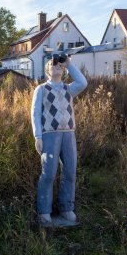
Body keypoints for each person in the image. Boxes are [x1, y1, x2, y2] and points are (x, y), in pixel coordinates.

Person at [31, 54, 87, 226]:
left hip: (68, 134)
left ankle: (66, 207)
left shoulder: (69, 89)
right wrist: (38, 136)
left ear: (63, 71)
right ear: (47, 70)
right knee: (48, 173)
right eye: (53, 64)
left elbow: (83, 83)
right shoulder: (41, 89)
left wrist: (68, 63)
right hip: (49, 135)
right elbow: (35, 114)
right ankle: (44, 210)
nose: (57, 66)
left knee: (70, 172)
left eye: (59, 66)